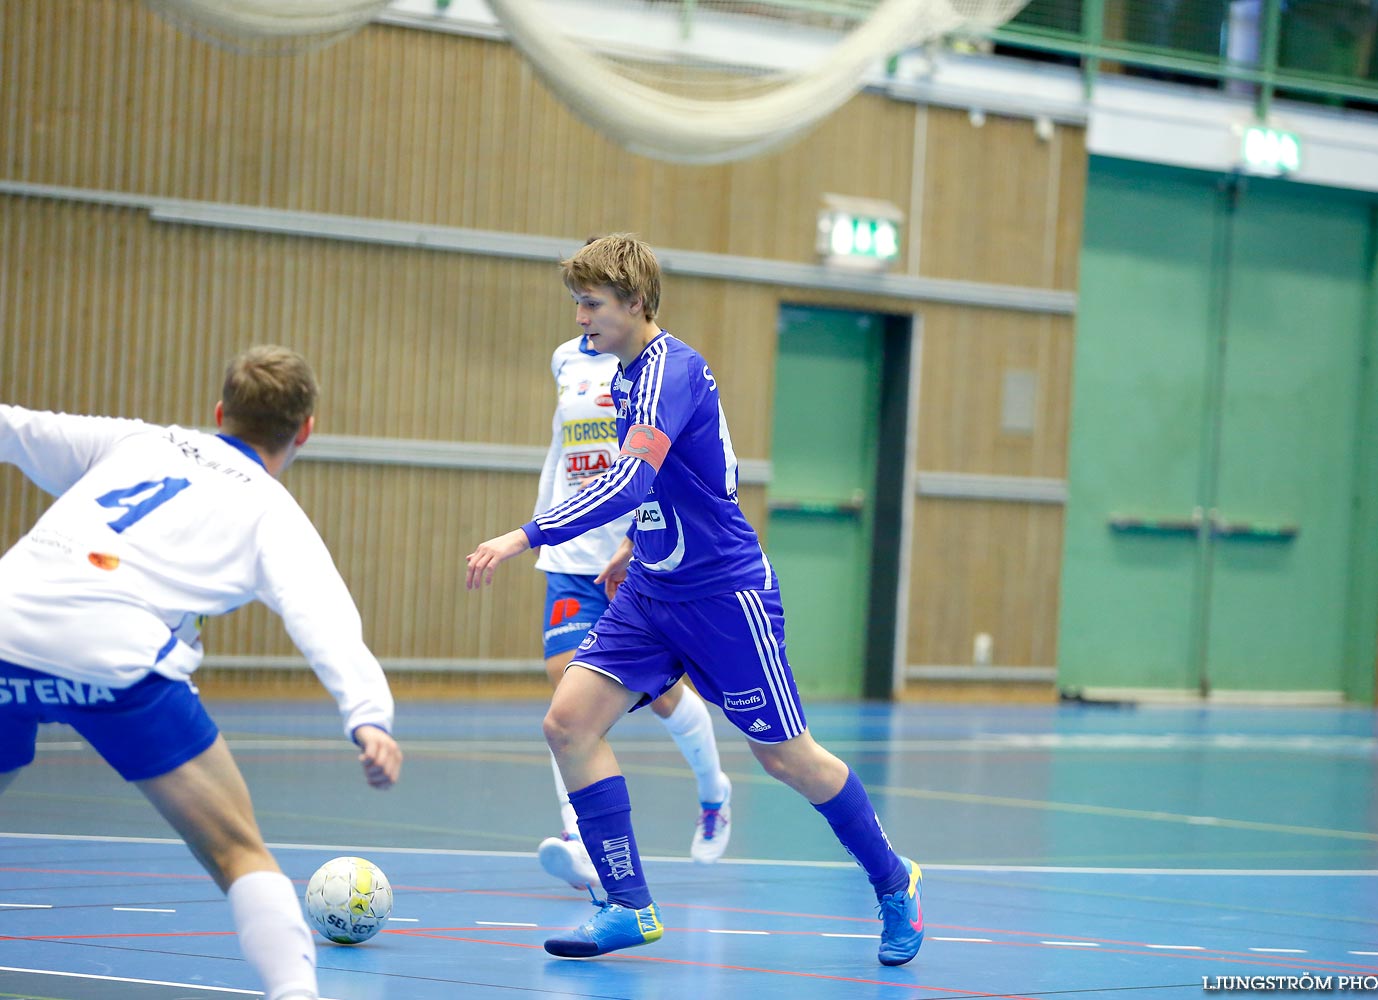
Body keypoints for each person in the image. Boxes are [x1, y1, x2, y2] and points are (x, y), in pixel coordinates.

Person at [465, 234, 924, 966]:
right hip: (652, 591)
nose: (581, 319)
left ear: (636, 303)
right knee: (569, 724)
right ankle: (627, 905)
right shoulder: (623, 376)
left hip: (724, 598)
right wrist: (634, 545)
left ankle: (894, 881)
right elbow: (699, 479)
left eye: (592, 304)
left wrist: (524, 535)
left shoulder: (669, 372)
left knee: (789, 759)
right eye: (577, 304)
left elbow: (628, 483)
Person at [0, 345, 403, 1000]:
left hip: (6, 620)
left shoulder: (135, 442)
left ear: (220, 412)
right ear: (305, 431)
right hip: (116, 655)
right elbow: (325, 618)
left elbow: (13, 427)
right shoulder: (273, 513)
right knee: (237, 849)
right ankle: (295, 991)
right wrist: (368, 717)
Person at [531, 329, 733, 890]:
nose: (583, 311)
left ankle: (715, 790)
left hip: (635, 550)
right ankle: (581, 842)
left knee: (666, 698)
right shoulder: (564, 356)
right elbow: (561, 448)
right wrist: (545, 530)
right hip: (572, 556)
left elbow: (658, 463)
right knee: (566, 696)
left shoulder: (656, 367)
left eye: (593, 297)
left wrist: (638, 539)